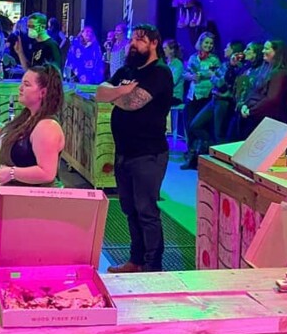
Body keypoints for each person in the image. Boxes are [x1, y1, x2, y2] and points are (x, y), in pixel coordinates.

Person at [95, 24, 174, 273]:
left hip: (148, 154)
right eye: (132, 40)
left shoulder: (159, 73)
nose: (133, 44)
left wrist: (115, 94)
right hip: (124, 152)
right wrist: (122, 90)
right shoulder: (126, 70)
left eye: (140, 40)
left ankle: (152, 266)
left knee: (146, 211)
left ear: (154, 43)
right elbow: (99, 92)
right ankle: (136, 260)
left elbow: (132, 103)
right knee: (129, 209)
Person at [0, 64, 65, 187]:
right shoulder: (27, 117)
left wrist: (12, 173)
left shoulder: (47, 127)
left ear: (43, 92)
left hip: (37, 197)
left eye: (26, 85)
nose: (20, 88)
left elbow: (47, 173)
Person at [183, 40, 246, 168]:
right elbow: (213, 78)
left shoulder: (236, 67)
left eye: (228, 48)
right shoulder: (225, 64)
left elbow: (221, 84)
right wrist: (212, 76)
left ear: (234, 52)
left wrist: (213, 77)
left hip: (223, 102)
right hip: (213, 99)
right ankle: (210, 147)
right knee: (195, 125)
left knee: (219, 133)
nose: (224, 50)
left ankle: (220, 162)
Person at [239, 40, 287, 136]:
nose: (263, 51)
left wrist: (251, 111)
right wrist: (245, 105)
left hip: (267, 120)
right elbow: (254, 91)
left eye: (267, 49)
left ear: (276, 52)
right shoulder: (264, 69)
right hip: (255, 117)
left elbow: (271, 99)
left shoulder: (279, 73)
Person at [184, 32, 221, 129]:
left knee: (202, 125)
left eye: (211, 43)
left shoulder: (214, 59)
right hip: (193, 95)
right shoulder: (193, 57)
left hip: (207, 95)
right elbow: (185, 74)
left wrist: (203, 74)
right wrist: (191, 77)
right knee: (190, 124)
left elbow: (218, 76)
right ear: (200, 43)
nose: (209, 45)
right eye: (206, 42)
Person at [229, 41, 264, 141]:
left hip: (250, 111)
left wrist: (247, 106)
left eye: (248, 49)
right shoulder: (246, 68)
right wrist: (232, 66)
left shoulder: (261, 71)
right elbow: (232, 82)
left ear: (256, 53)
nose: (244, 51)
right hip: (238, 108)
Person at [163, 39, 185, 105]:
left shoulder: (178, 64)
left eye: (165, 48)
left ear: (172, 50)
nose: (163, 50)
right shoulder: (165, 63)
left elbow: (172, 82)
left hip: (175, 97)